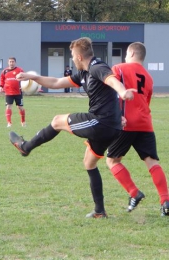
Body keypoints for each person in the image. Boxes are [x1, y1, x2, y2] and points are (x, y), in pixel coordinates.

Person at [9, 37, 135, 218]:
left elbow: (112, 79)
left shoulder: (96, 67)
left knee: (57, 121)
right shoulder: (83, 73)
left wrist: (122, 91)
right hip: (110, 127)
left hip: (101, 123)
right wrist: (33, 77)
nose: (72, 60)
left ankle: (25, 147)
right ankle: (100, 211)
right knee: (89, 163)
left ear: (79, 56)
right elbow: (56, 83)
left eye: (73, 57)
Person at [106, 42, 169, 217]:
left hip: (126, 123)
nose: (125, 57)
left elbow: (111, 93)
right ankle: (166, 201)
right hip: (145, 123)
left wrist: (117, 116)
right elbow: (146, 102)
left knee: (112, 161)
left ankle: (134, 193)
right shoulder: (149, 77)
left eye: (126, 53)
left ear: (132, 53)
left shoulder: (119, 68)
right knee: (152, 162)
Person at [0, 57, 26, 127]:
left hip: (18, 92)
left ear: (15, 62)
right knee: (8, 107)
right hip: (8, 92)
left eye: (13, 61)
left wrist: (24, 86)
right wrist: (1, 86)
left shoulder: (20, 70)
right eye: (10, 62)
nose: (11, 63)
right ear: (8, 63)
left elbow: (25, 78)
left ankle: (23, 122)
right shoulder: (4, 71)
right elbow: (2, 79)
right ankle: (9, 123)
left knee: (20, 107)